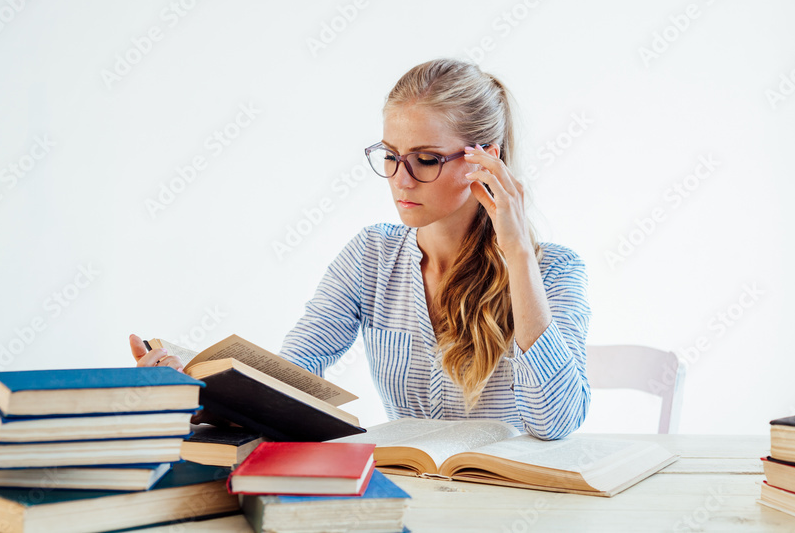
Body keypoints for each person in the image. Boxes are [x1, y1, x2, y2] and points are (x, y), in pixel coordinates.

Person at [131, 58, 591, 440]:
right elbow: (297, 375)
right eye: (391, 155)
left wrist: (517, 255)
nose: (400, 179)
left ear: (483, 159)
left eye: (426, 160)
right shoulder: (371, 255)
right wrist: (201, 392)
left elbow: (556, 422)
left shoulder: (554, 270)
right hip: (410, 496)